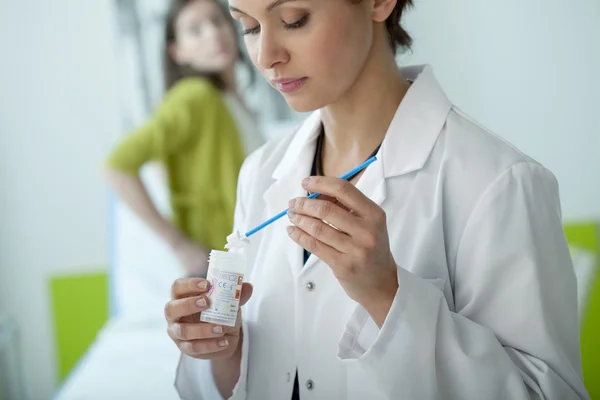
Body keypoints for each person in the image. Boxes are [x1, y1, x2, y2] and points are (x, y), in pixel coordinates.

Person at [165, 0, 590, 399]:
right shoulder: (260, 172)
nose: (266, 56)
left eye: (294, 19)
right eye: (251, 27)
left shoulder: (498, 181)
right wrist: (223, 352)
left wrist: (388, 296)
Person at [104, 0, 263, 276]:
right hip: (221, 266)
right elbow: (117, 165)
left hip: (244, 259)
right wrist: (178, 244)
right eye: (195, 30)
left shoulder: (230, 100)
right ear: (176, 51)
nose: (213, 34)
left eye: (217, 21)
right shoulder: (194, 96)